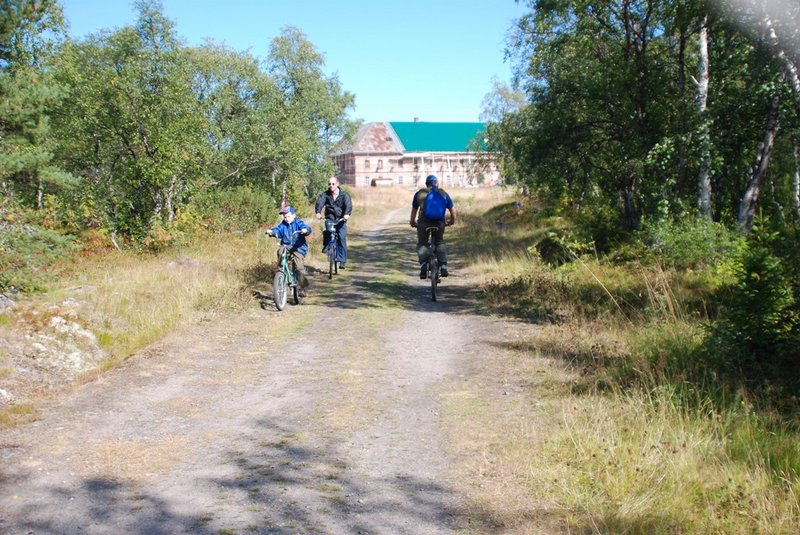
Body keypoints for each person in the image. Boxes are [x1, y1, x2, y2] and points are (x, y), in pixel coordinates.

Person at [410, 174, 456, 279]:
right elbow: (453, 210)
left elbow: (414, 210)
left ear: (426, 184)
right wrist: (452, 221)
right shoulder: (443, 193)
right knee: (439, 242)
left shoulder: (420, 194)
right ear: (437, 183)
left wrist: (412, 222)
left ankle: (423, 265)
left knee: (422, 243)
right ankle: (443, 265)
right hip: (439, 223)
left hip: (423, 223)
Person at [265, 206, 313, 296]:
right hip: (286, 246)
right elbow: (278, 230)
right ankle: (281, 270)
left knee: (299, 267)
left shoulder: (298, 223)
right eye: (285, 217)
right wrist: (272, 231)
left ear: (293, 215)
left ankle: (303, 287)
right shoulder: (283, 225)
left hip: (298, 247)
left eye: (288, 216)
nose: (286, 219)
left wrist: (305, 230)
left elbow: (306, 227)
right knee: (280, 251)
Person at [315, 176, 353, 268]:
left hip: (341, 219)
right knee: (328, 232)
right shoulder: (326, 194)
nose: (331, 185)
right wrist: (318, 212)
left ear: (337, 184)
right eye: (329, 184)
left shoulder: (344, 195)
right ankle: (327, 247)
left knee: (341, 238)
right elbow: (320, 202)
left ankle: (342, 260)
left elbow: (348, 205)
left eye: (333, 184)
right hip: (330, 217)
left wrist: (347, 214)